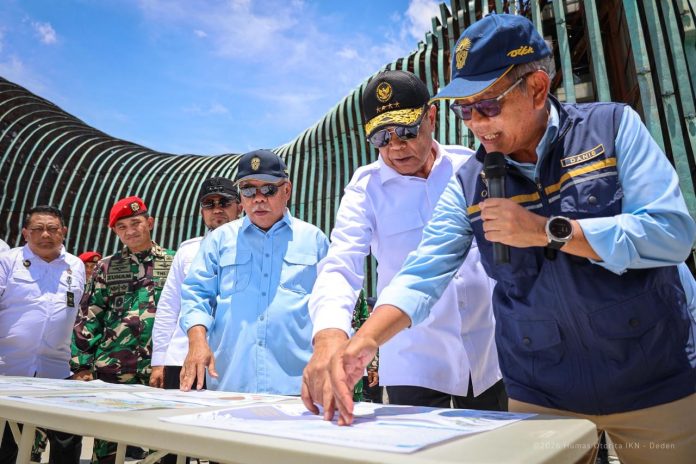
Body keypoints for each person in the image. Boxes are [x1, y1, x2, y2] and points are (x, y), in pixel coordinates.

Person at [328, 14, 696, 464]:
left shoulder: (613, 129)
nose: (476, 125)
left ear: (537, 88)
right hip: (542, 395)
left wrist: (548, 231)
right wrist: (363, 343)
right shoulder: (468, 183)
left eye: (487, 105)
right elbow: (423, 272)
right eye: (464, 110)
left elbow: (671, 233)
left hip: (655, 383)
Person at [302, 70, 502, 417]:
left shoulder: (468, 167)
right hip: (414, 360)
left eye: (407, 130)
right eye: (381, 136)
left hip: (487, 356)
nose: (395, 146)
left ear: (431, 117)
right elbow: (341, 265)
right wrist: (329, 337)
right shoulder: (365, 189)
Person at [179, 149, 329, 394]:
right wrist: (196, 341)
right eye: (248, 190)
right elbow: (196, 294)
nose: (258, 198)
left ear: (286, 190)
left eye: (268, 189)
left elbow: (331, 301)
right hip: (231, 382)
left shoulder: (314, 240)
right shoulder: (219, 240)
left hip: (298, 385)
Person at [71, 195, 175, 463]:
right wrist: (82, 365)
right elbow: (90, 313)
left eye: (135, 223)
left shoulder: (174, 262)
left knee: (163, 445)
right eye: (122, 227)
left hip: (159, 367)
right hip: (113, 368)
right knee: (108, 445)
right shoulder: (106, 266)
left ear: (150, 223)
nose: (130, 231)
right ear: (116, 232)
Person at [0, 205, 85, 464]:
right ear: (25, 232)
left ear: (63, 231)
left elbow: (80, 315)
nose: (45, 234)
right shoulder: (8, 261)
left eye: (52, 228)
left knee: (67, 440)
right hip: (10, 370)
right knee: (9, 444)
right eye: (37, 229)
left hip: (58, 371)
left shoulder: (76, 265)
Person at [150, 177, 242, 390]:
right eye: (209, 204)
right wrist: (159, 361)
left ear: (239, 208)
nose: (217, 209)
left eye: (224, 202)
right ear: (202, 212)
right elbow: (169, 307)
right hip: (183, 357)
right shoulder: (187, 250)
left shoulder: (254, 249)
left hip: (230, 360)